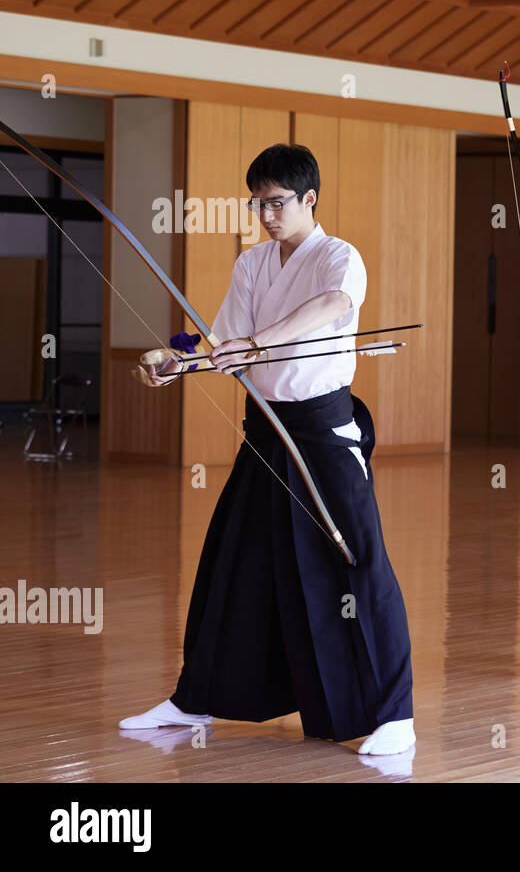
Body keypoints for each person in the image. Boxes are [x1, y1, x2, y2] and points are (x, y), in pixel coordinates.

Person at [119, 144, 415, 755]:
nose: (266, 215)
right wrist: (175, 361)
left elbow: (333, 305)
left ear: (310, 199)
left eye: (277, 202)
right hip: (266, 433)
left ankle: (394, 715)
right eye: (258, 204)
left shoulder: (340, 257)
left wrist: (259, 343)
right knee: (233, 560)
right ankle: (194, 698)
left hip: (323, 433)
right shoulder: (253, 264)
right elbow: (222, 339)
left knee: (356, 560)